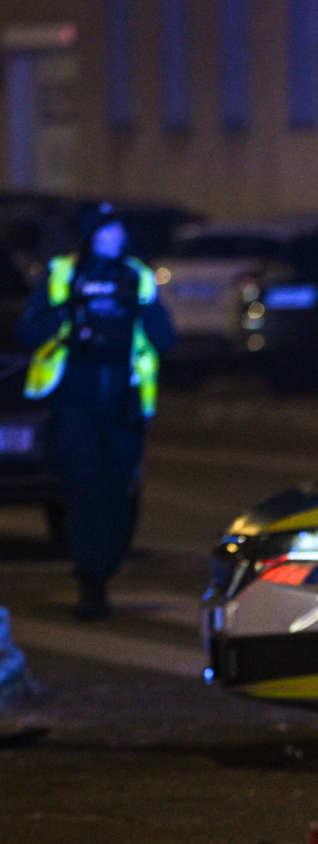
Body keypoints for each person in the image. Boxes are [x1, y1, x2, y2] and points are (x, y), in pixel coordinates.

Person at [16, 203, 174, 619]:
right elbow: (28, 332)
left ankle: (104, 566)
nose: (113, 238)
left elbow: (164, 336)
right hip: (75, 397)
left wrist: (137, 307)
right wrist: (69, 308)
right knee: (83, 490)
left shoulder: (136, 276)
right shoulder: (63, 274)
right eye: (104, 232)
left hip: (124, 398)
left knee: (118, 494)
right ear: (88, 236)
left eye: (117, 230)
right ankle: (91, 581)